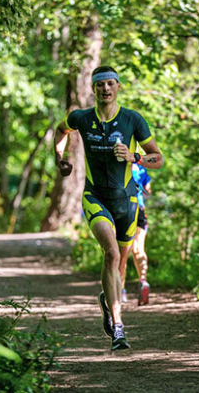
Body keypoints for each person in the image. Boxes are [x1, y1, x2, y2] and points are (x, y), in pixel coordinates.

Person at [53, 65, 163, 350]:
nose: (105, 89)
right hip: (95, 197)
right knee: (111, 253)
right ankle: (118, 328)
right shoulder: (82, 118)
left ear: (118, 87)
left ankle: (108, 300)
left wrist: (134, 156)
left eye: (110, 84)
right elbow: (61, 129)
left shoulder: (132, 120)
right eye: (100, 84)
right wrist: (60, 157)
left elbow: (158, 158)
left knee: (121, 263)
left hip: (127, 201)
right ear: (93, 88)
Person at [130, 162, 152, 305]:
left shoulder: (121, 165)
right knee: (139, 249)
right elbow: (148, 189)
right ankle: (143, 281)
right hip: (140, 209)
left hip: (127, 209)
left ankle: (120, 290)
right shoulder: (141, 168)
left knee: (128, 249)